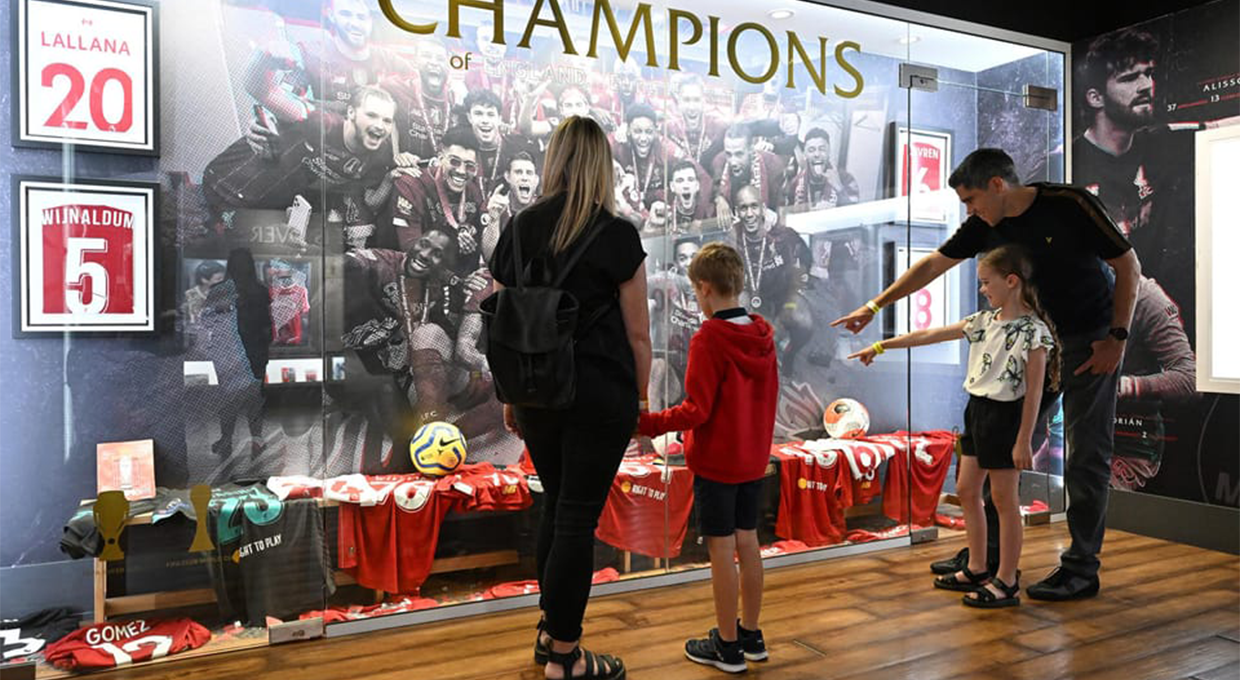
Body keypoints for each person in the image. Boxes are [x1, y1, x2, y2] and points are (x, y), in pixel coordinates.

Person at [833, 149, 1140, 601]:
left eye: (971, 199)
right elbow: (933, 265)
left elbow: (1128, 266)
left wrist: (1117, 337)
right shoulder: (986, 223)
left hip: (1090, 340)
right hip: (1038, 337)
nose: (969, 211)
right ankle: (988, 559)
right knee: (998, 451)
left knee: (1086, 453)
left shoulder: (1069, 203)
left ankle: (1080, 568)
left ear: (998, 185)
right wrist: (875, 306)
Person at [489, 116, 650, 680]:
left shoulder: (519, 227)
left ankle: (548, 632)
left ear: (554, 159)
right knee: (577, 518)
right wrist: (642, 398)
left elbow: (505, 322)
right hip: (601, 391)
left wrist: (511, 393)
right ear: (602, 165)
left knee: (557, 508)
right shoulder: (619, 234)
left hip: (538, 391)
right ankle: (566, 656)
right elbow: (638, 336)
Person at [850, 245, 1060, 608]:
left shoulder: (1033, 332)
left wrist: (1024, 438)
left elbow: (1035, 392)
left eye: (985, 282)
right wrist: (882, 346)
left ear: (1011, 282)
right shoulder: (982, 323)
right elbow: (929, 334)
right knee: (966, 489)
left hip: (1006, 417)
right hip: (977, 411)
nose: (982, 289)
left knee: (1004, 500)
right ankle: (978, 565)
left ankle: (1007, 580)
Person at [638, 242, 778, 673]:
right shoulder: (763, 335)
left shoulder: (709, 338)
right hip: (753, 458)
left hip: (718, 461)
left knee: (720, 549)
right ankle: (751, 634)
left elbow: (696, 410)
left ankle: (728, 645)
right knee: (748, 540)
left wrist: (648, 423)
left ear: (702, 288)